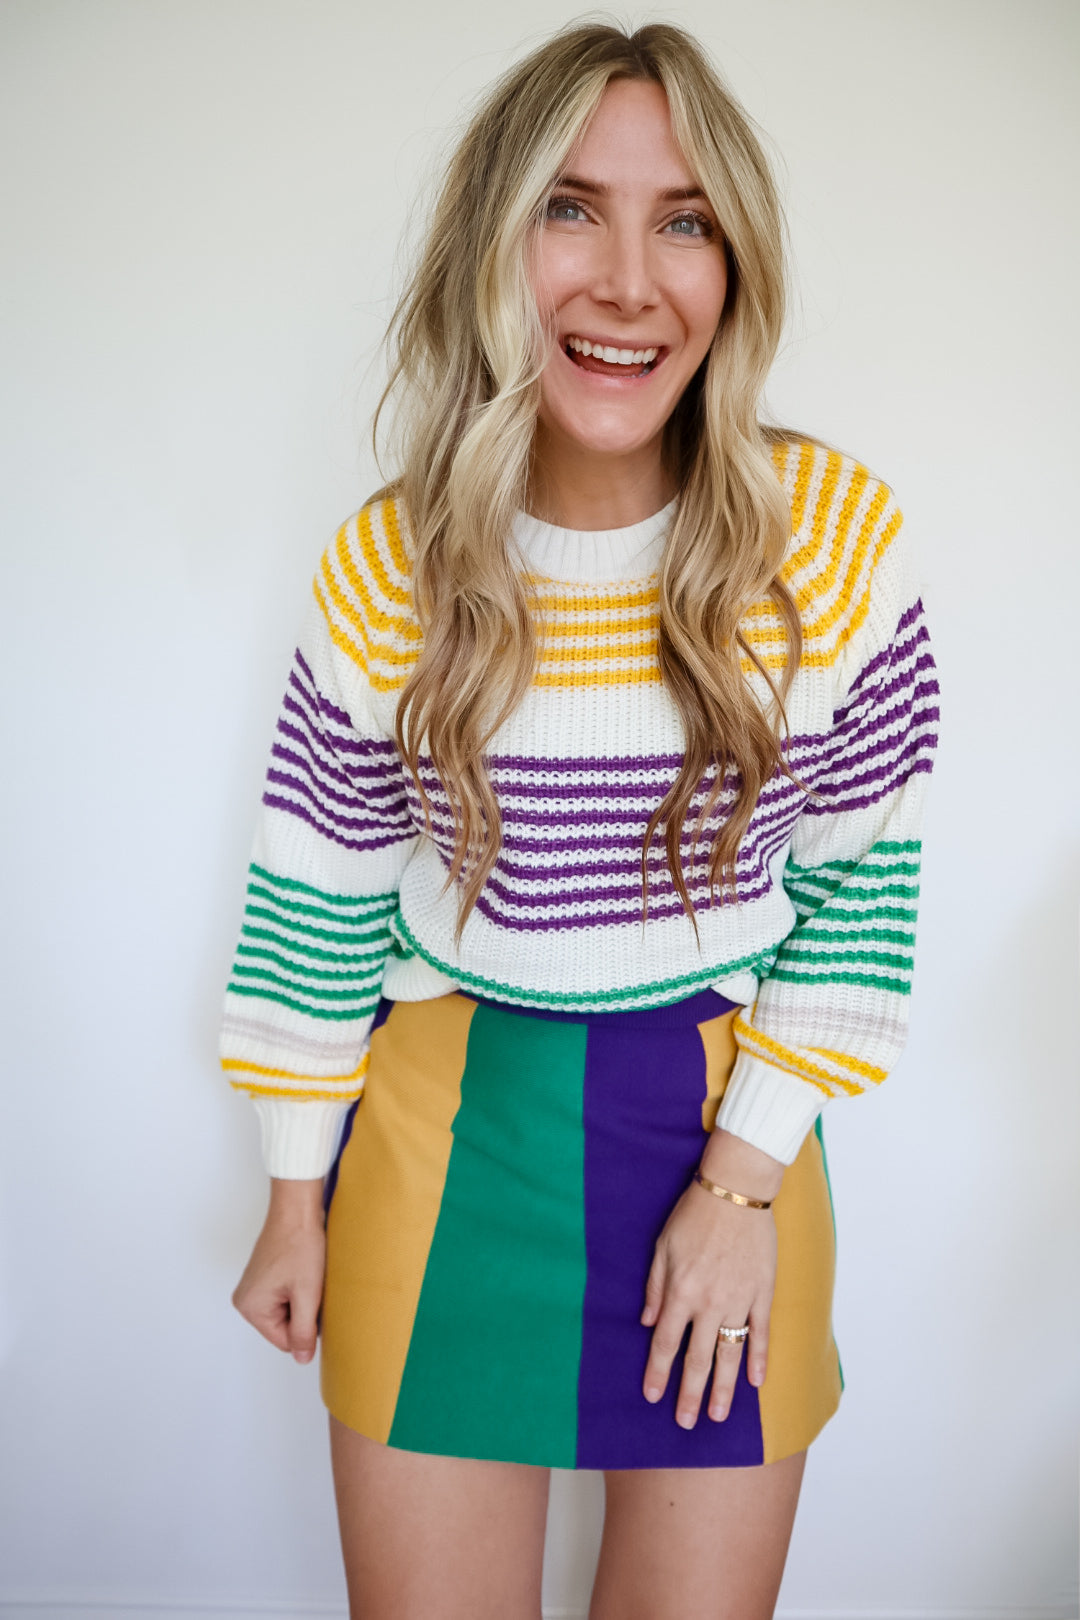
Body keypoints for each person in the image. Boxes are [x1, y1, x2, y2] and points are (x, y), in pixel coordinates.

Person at [222, 20, 939, 1620]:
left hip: (731, 1147)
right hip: (442, 1153)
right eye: (570, 208)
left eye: (684, 221)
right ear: (494, 246)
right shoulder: (391, 568)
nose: (628, 281)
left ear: (735, 269)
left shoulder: (830, 544)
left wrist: (741, 1188)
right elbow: (316, 897)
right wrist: (291, 1193)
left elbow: (863, 897)